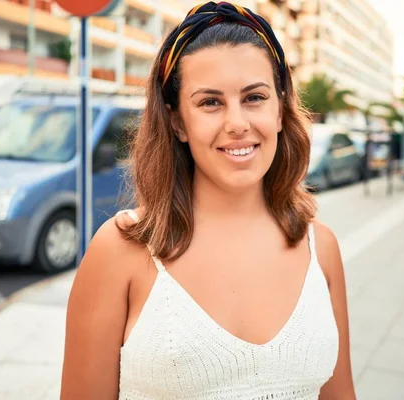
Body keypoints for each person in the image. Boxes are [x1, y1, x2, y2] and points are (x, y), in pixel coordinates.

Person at [60, 2, 356, 399]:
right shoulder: (120, 251)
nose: (237, 123)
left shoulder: (321, 249)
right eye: (210, 102)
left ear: (281, 110)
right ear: (178, 122)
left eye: (254, 97)